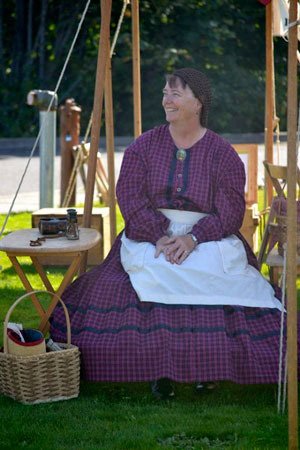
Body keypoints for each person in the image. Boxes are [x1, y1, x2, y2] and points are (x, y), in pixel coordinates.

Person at [51, 67, 295, 399]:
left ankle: (207, 367)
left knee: (215, 273)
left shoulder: (222, 153)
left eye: (176, 94)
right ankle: (157, 370)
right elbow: (130, 196)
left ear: (199, 103)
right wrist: (158, 235)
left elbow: (230, 211)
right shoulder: (143, 146)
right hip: (151, 234)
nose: (167, 99)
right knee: (151, 270)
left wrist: (193, 238)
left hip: (208, 237)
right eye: (166, 92)